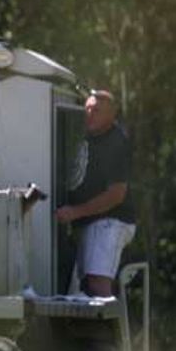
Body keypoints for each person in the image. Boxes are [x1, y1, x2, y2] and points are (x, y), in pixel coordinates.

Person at [55, 90, 135, 297]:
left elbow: (117, 194)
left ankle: (107, 330)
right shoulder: (89, 137)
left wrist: (75, 212)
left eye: (97, 111)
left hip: (109, 222)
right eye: (88, 109)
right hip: (89, 222)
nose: (89, 114)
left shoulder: (115, 143)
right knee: (85, 288)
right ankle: (93, 330)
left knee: (98, 285)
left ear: (112, 114)